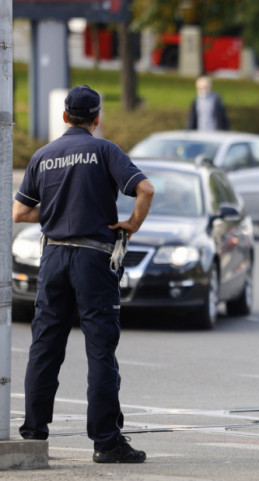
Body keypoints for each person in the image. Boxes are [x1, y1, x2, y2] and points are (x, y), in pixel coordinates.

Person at [12, 84, 155, 464]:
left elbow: (20, 213)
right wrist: (132, 225)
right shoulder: (104, 150)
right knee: (100, 351)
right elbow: (145, 189)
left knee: (44, 347)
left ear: (63, 117)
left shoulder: (43, 155)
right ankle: (106, 442)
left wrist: (59, 209)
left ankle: (33, 436)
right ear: (97, 119)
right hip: (93, 259)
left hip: (54, 258)